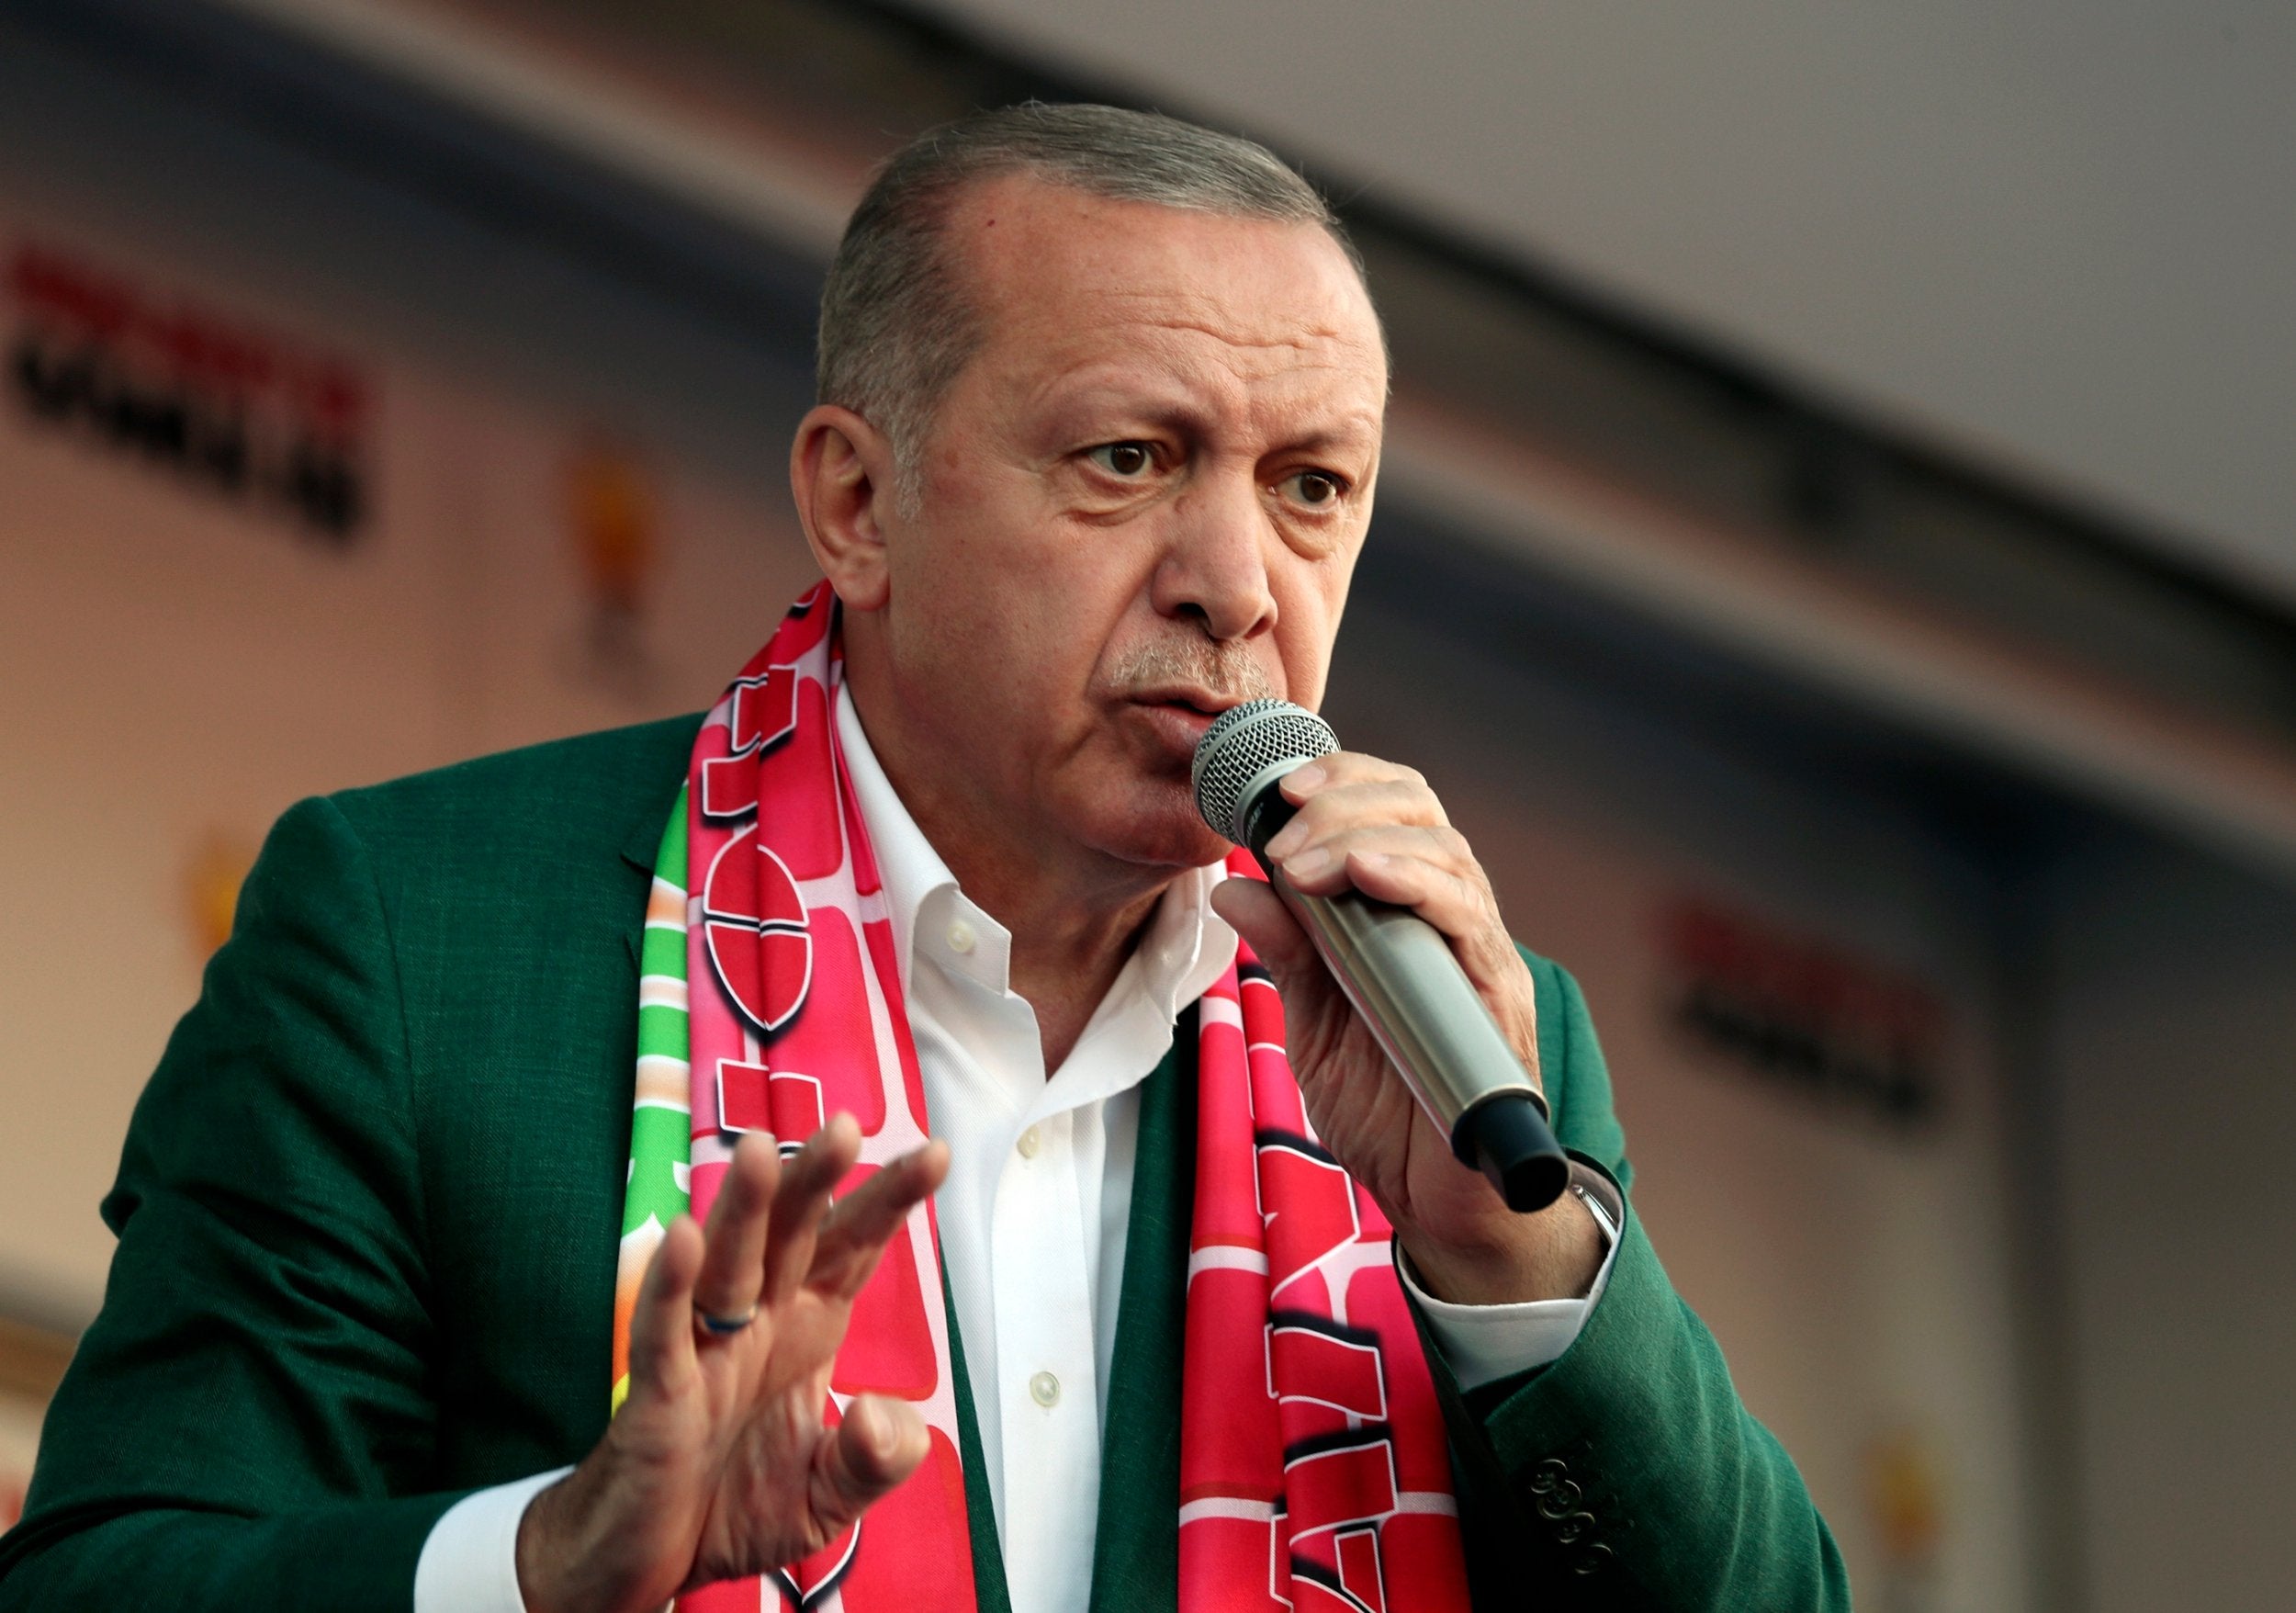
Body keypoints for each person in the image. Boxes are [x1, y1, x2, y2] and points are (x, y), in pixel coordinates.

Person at [0, 105, 1847, 1612]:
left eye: (1309, 487)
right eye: (1130, 457)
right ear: (855, 500)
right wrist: (547, 1563)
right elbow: (112, 1580)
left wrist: (1513, 1269)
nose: (1237, 582)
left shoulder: (1466, 1054)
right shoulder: (420, 935)